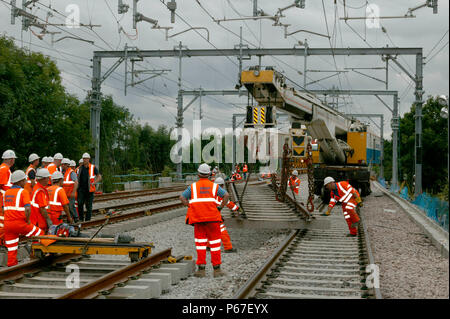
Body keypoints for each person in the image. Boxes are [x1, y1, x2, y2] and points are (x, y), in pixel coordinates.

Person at [179, 163, 229, 278]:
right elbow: (226, 195)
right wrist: (220, 208)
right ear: (209, 174)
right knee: (215, 244)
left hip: (198, 220)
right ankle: (217, 270)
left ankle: (201, 270)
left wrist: (190, 206)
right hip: (213, 219)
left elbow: (182, 197)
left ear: (198, 174)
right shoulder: (214, 186)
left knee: (201, 244)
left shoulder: (192, 187)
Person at [3, 170, 43, 266]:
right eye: (24, 180)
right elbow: (28, 208)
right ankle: (35, 255)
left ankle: (11, 265)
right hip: (20, 223)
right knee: (39, 233)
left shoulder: (6, 193)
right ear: (20, 181)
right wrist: (28, 220)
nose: (26, 182)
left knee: (12, 246)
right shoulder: (23, 192)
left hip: (8, 224)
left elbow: (3, 209)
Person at [213, 177, 238, 253]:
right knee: (223, 231)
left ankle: (208, 246)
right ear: (223, 185)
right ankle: (228, 248)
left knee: (210, 230)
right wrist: (236, 208)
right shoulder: (222, 195)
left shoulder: (211, 193)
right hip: (215, 215)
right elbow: (228, 203)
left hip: (208, 214)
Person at [77, 153, 101, 222]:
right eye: (84, 158)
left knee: (89, 206)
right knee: (80, 204)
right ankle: (81, 219)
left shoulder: (92, 167)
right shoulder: (79, 168)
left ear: (89, 159)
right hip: (81, 189)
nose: (85, 160)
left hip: (89, 190)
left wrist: (94, 183)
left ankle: (88, 220)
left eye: (86, 158)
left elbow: (99, 176)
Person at [0, 150, 17, 245]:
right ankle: (1, 242)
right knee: (2, 221)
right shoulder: (4, 169)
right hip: (3, 199)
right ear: (11, 159)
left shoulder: (5, 168)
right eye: (14, 159)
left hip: (4, 199)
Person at [30, 168, 53, 233]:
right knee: (39, 240)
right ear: (43, 179)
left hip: (35, 220)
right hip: (39, 221)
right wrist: (48, 220)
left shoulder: (37, 187)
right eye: (48, 178)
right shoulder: (40, 191)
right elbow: (42, 208)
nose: (48, 180)